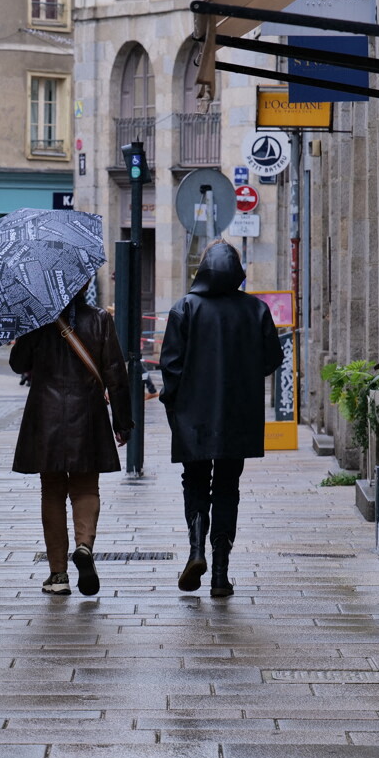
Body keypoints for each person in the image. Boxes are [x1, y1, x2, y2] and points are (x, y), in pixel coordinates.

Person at [159, 239, 285, 597]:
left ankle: (196, 550)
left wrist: (175, 405)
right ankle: (219, 574)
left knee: (195, 480)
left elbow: (170, 366)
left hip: (193, 417)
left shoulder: (185, 308)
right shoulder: (255, 310)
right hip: (237, 416)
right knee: (228, 486)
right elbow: (271, 359)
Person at [9, 285, 132, 597]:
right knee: (86, 487)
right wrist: (122, 421)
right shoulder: (101, 319)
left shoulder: (38, 320)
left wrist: (28, 323)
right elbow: (115, 372)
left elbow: (17, 363)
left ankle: (58, 574)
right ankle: (84, 547)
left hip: (45, 416)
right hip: (87, 413)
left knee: (52, 492)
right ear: (86, 286)